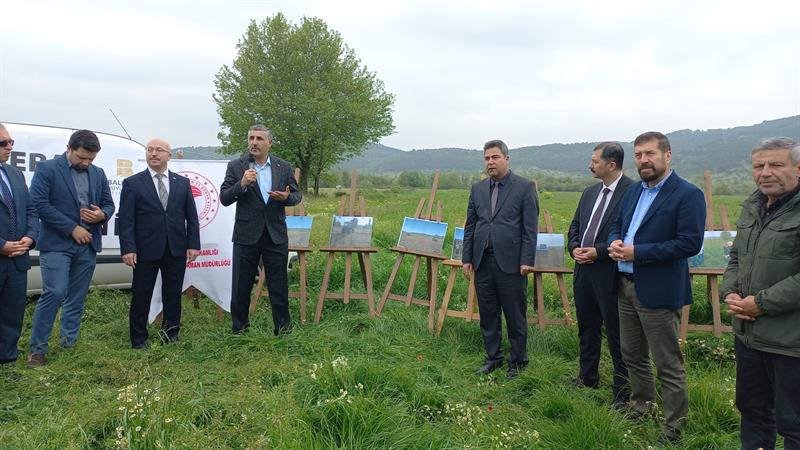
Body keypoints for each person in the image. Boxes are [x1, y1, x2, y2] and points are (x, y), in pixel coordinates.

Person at [607, 131, 705, 444]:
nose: (644, 160)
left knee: (667, 363)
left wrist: (638, 253)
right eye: (638, 155)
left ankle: (674, 427)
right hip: (625, 286)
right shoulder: (633, 191)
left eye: (650, 153)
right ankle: (642, 406)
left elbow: (689, 243)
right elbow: (616, 225)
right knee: (632, 354)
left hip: (659, 291)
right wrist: (615, 242)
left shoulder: (687, 194)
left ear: (667, 155)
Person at [722, 137, 800, 450]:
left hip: (791, 342)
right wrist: (729, 292)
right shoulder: (752, 207)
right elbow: (737, 258)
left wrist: (761, 303)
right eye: (758, 166)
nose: (765, 172)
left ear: (798, 168)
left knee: (794, 423)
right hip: (749, 337)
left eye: (776, 164)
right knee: (753, 411)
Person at [27, 129, 115, 368]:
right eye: (81, 157)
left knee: (77, 297)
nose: (86, 163)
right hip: (57, 245)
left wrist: (102, 214)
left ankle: (68, 344)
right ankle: (37, 350)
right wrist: (71, 228)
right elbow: (38, 203)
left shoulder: (98, 173)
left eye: (91, 159)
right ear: (69, 148)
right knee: (55, 292)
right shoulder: (47, 169)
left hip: (87, 246)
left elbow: (108, 204)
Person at [462, 139, 538, 380]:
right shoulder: (477, 189)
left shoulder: (525, 187)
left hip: (512, 264)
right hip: (483, 262)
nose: (490, 162)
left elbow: (530, 229)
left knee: (515, 316)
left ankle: (518, 361)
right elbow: (471, 226)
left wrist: (527, 260)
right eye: (487, 158)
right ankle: (493, 358)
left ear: (507, 158)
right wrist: (467, 258)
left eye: (495, 157)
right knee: (488, 314)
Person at [567, 142, 633, 406]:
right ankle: (588, 377)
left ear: (611, 164)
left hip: (611, 273)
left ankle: (622, 391)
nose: (590, 165)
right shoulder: (590, 192)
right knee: (587, 327)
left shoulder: (632, 192)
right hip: (583, 271)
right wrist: (574, 247)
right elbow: (575, 226)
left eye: (595, 161)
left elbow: (629, 234)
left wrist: (599, 251)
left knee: (617, 334)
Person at [119, 138, 200, 349]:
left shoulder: (182, 183)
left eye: (159, 150)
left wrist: (193, 244)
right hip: (145, 249)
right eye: (150, 150)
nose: (153, 154)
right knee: (141, 294)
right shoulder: (133, 183)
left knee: (173, 294)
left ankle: (170, 334)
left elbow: (191, 217)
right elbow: (126, 220)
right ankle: (139, 339)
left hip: (176, 247)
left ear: (169, 155)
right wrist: (128, 248)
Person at [220, 125, 301, 335]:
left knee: (278, 286)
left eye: (259, 138)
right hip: (246, 234)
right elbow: (225, 198)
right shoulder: (236, 166)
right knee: (241, 286)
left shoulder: (283, 166)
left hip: (275, 234)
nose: (254, 142)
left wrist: (286, 198)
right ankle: (240, 330)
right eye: (251, 138)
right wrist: (242, 183)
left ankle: (283, 330)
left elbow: (296, 196)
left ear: (269, 143)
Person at [0, 124, 38, 370]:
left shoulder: (15, 174)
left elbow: (31, 210)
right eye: (3, 143)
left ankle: (7, 362)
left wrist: (30, 237)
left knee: (12, 315)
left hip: (16, 261)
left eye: (11, 141)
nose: (9, 147)